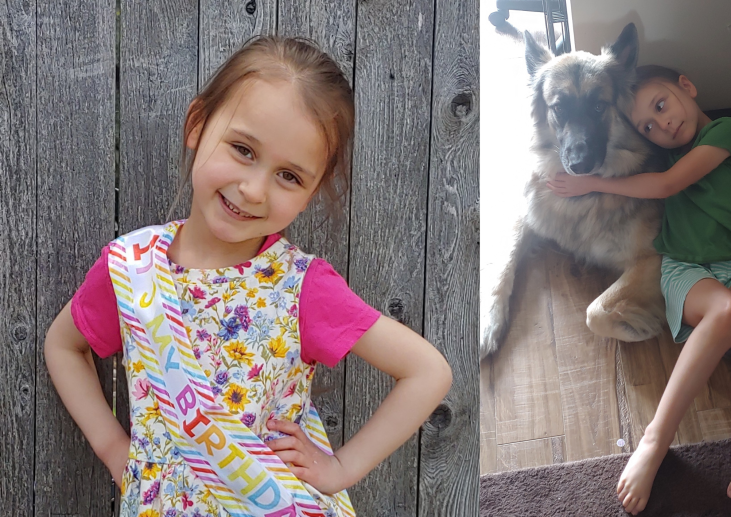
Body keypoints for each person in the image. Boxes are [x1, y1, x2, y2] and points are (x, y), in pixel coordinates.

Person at [43, 36, 452, 517]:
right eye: (242, 149)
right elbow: (62, 345)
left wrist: (341, 468)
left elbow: (428, 372)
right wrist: (116, 450)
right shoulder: (133, 269)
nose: (254, 189)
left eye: (289, 176)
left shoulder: (301, 287)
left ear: (311, 190)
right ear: (198, 125)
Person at [548, 66, 731, 513]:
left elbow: (667, 186)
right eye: (648, 127)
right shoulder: (664, 155)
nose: (663, 125)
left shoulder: (727, 132)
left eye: (661, 106)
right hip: (686, 269)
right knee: (727, 313)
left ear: (686, 86)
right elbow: (653, 179)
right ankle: (656, 440)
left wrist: (591, 182)